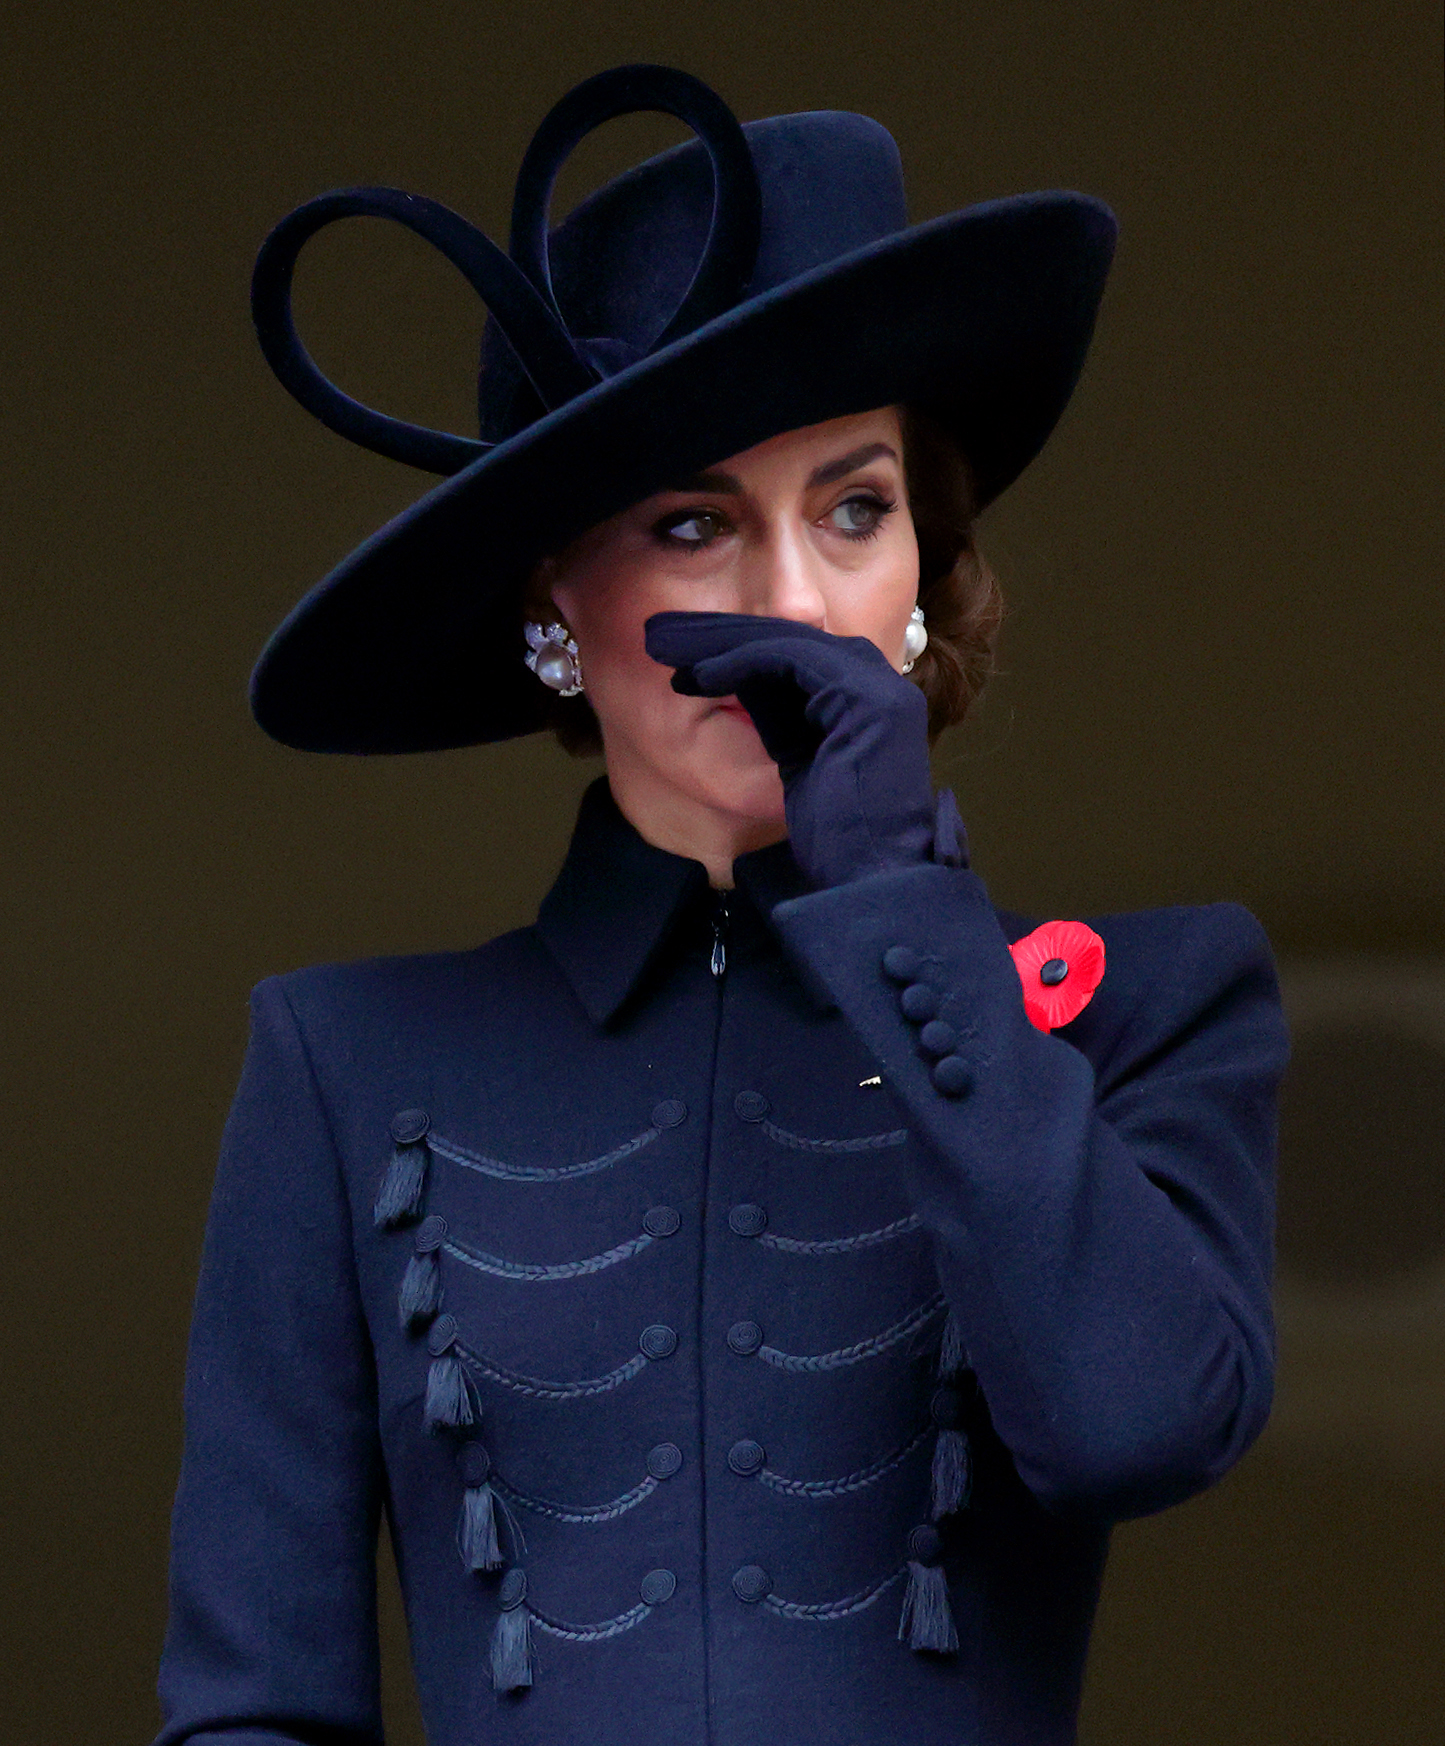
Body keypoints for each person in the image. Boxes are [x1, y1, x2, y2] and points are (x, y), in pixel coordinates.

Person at [155, 63, 1288, 1746]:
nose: (787, 603)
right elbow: (254, 1706)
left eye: (852, 508)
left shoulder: (1152, 997)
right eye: (690, 522)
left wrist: (901, 892)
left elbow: (1137, 1425)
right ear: (556, 596)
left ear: (925, 570)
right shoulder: (339, 1059)